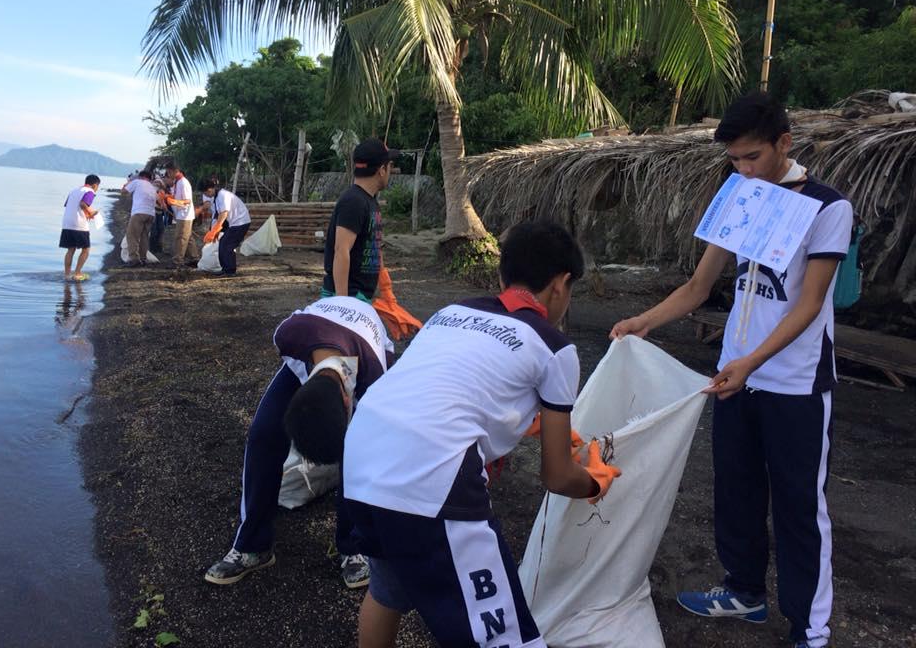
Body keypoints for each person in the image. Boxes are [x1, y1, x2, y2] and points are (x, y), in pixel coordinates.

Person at [610, 92, 852, 648]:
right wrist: (645, 320)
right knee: (736, 491)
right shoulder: (739, 196)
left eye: (752, 157)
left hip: (795, 384)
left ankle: (810, 628)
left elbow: (810, 303)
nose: (743, 170)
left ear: (784, 144)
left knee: (798, 504)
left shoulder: (826, 206)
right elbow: (699, 286)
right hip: (734, 379)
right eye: (735, 161)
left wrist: (752, 361)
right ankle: (744, 593)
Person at [342, 221, 621, 648]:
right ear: (562, 284)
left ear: (502, 275)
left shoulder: (451, 313)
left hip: (364, 455)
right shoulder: (555, 347)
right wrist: (595, 481)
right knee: (499, 634)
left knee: (388, 591)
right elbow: (557, 476)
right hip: (431, 473)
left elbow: (452, 391)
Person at [203, 296, 394, 589]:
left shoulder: (374, 375)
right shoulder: (287, 334)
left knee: (358, 452)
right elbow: (295, 376)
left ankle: (354, 547)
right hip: (312, 350)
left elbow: (377, 452)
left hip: (363, 341)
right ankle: (253, 545)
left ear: (347, 400)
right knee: (263, 433)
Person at [322, 138, 396, 302]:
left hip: (360, 296)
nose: (391, 170)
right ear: (381, 170)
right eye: (389, 165)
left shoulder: (370, 201)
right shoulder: (354, 202)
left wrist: (386, 288)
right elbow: (341, 250)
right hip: (347, 295)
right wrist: (342, 303)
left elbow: (375, 247)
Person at [198, 179, 252, 276]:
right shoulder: (217, 197)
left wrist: (215, 230)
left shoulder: (222, 195)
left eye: (205, 193)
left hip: (240, 222)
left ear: (210, 190)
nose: (205, 196)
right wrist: (215, 231)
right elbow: (218, 215)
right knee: (223, 243)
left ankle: (230, 271)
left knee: (227, 244)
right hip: (235, 222)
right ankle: (226, 269)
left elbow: (223, 214)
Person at [59, 174, 101, 281]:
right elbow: (83, 204)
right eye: (97, 186)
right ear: (95, 185)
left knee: (70, 250)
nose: (97, 189)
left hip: (67, 223)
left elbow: (70, 206)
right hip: (79, 224)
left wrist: (86, 213)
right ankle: (77, 273)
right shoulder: (90, 191)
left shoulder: (74, 190)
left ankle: (67, 275)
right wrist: (91, 213)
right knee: (86, 249)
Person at [162, 161, 200, 268]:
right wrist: (169, 198)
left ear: (175, 171)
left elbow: (187, 201)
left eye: (169, 172)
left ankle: (177, 261)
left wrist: (174, 202)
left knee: (181, 238)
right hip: (182, 214)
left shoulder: (183, 182)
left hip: (185, 215)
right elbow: (178, 198)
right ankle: (194, 258)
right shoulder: (178, 182)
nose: (168, 174)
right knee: (188, 237)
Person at [122, 169, 159, 266]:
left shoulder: (137, 182)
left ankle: (134, 259)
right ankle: (143, 258)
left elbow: (123, 192)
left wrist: (128, 183)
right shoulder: (152, 187)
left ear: (141, 177)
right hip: (151, 214)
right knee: (144, 237)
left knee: (132, 235)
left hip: (139, 212)